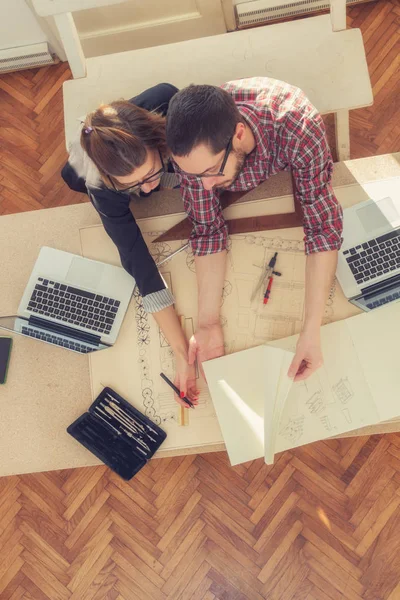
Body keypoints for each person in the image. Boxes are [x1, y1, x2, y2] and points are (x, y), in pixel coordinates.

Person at [166, 77, 343, 382]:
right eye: (192, 175)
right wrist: (207, 323)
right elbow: (207, 229)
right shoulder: (198, 160)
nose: (204, 185)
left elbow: (322, 227)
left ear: (238, 133)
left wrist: (311, 330)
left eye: (210, 172)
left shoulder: (298, 126)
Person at [61, 83, 198, 407]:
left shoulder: (168, 103)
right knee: (70, 175)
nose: (149, 190)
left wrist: (167, 175)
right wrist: (180, 352)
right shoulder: (100, 185)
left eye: (151, 173)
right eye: (135, 185)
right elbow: (137, 261)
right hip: (84, 170)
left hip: (149, 127)